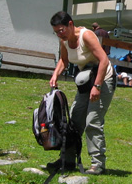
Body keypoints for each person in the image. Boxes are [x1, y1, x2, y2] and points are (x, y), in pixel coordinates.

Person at [48, 11, 116, 175]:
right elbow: (64, 60)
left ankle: (97, 163)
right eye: (56, 31)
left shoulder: (87, 36)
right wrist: (55, 74)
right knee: (74, 120)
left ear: (70, 25)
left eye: (61, 30)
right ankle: (68, 160)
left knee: (93, 120)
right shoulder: (64, 40)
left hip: (103, 79)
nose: (59, 34)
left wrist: (97, 86)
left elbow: (104, 60)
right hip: (86, 81)